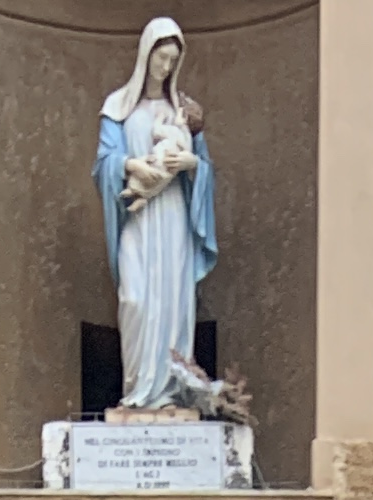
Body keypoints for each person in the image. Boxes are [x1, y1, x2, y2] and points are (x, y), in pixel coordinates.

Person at [95, 20, 215, 412]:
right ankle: (137, 391)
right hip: (138, 218)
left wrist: (192, 164)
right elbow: (102, 163)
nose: (165, 67)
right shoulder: (118, 107)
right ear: (146, 55)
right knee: (135, 299)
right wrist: (130, 164)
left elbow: (205, 166)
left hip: (174, 216)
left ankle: (170, 393)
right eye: (161, 57)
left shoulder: (184, 111)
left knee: (173, 299)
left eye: (172, 60)